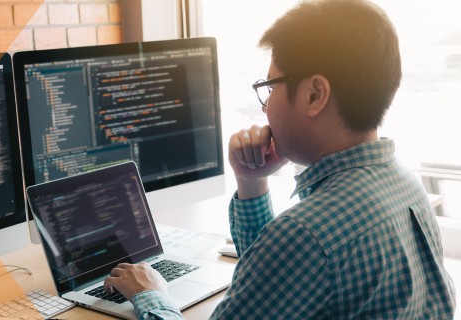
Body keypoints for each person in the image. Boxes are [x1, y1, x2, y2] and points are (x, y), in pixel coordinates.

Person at [103, 0, 457, 318]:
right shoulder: (405, 184)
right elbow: (272, 278)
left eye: (270, 87)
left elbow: (289, 254)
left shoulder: (306, 234)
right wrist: (252, 183)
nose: (266, 105)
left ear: (315, 94)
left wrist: (152, 295)